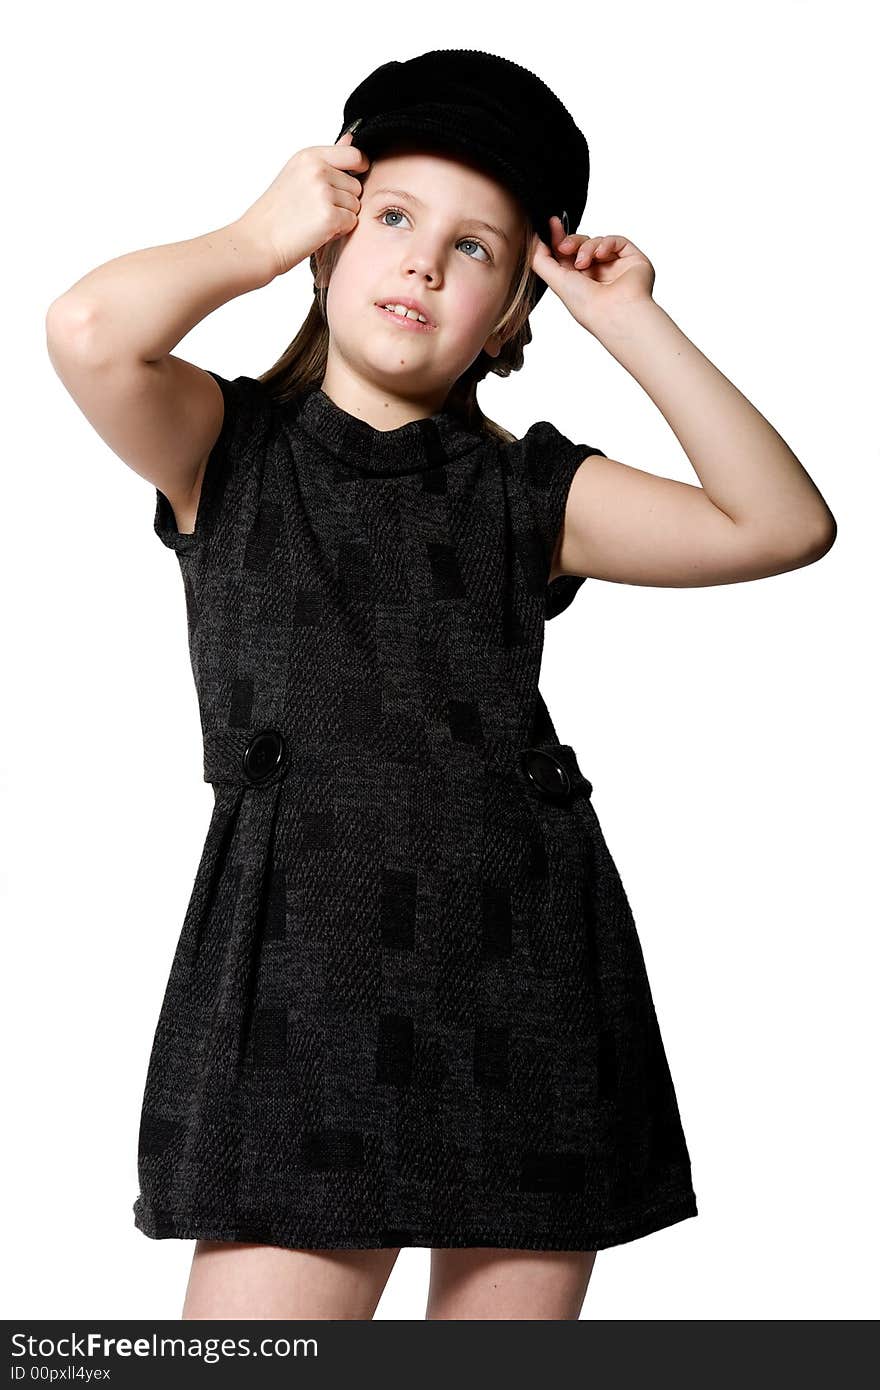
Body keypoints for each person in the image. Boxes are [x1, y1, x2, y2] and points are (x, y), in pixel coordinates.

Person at [45, 49, 836, 1321]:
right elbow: (87, 330)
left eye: (477, 248)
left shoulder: (529, 492)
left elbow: (780, 525)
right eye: (394, 218)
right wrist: (253, 235)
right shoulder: (225, 450)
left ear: (511, 310)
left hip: (524, 974)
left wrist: (628, 319)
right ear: (331, 242)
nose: (421, 260)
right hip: (295, 986)